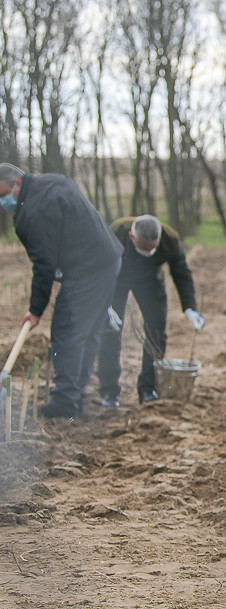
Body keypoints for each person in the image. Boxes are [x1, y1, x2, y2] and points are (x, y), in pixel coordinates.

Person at [0, 163, 122, 419]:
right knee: (86, 333)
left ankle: (66, 402)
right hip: (106, 259)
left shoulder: (31, 213)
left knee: (67, 331)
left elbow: (43, 265)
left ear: (18, 184)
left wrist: (35, 311)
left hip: (89, 268)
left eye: (4, 194)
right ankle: (73, 397)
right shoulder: (51, 181)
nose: (3, 201)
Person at [97, 215, 204, 407]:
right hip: (115, 279)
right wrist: (103, 305)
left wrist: (190, 307)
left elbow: (181, 272)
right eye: (143, 248)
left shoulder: (170, 239)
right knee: (110, 330)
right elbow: (98, 268)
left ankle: (148, 388)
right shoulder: (116, 233)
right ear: (131, 237)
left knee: (156, 333)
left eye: (152, 248)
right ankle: (109, 391)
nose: (149, 252)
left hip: (149, 281)